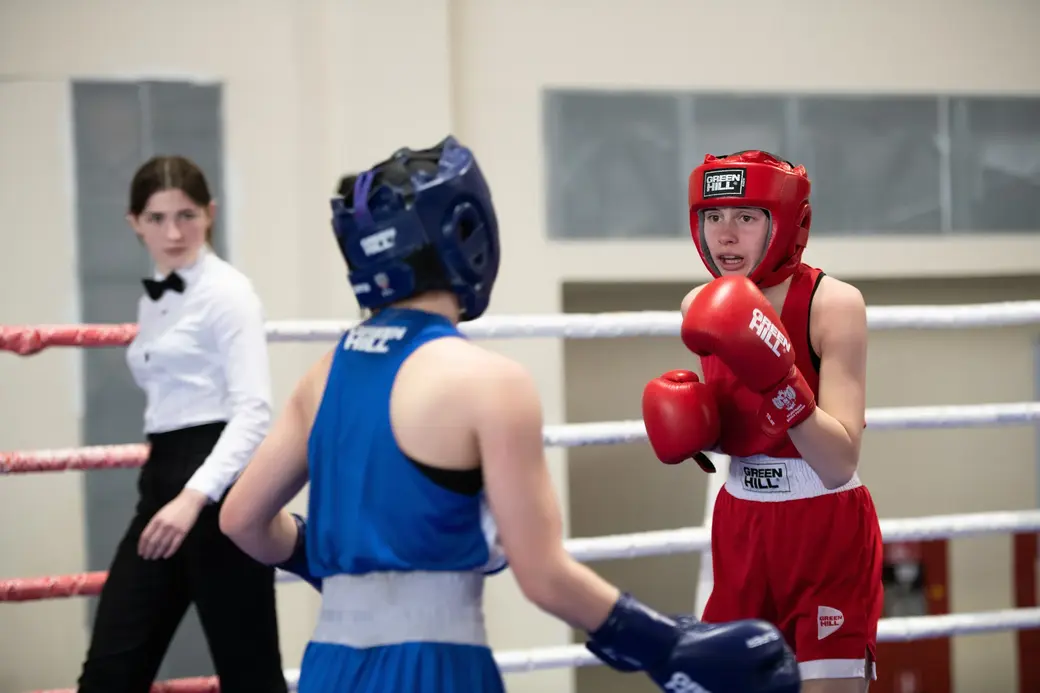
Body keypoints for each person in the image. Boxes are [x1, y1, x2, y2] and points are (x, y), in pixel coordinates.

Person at [219, 136, 802, 693]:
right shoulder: (489, 382)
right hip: (436, 667)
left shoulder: (324, 374)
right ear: (463, 234)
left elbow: (242, 520)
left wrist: (346, 570)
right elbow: (542, 575)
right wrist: (665, 647)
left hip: (328, 666)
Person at [640, 150, 885, 693]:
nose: (725, 235)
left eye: (746, 218)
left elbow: (840, 462)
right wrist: (697, 430)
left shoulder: (832, 304)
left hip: (824, 525)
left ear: (785, 224)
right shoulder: (696, 304)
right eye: (713, 217)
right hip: (740, 524)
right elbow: (738, 432)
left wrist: (780, 380)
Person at [76, 155, 288, 693]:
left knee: (250, 672)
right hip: (162, 482)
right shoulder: (159, 295)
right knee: (111, 668)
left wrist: (193, 498)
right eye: (157, 218)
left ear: (211, 213)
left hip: (220, 490)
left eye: (187, 215)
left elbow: (255, 410)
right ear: (134, 223)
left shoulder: (228, 292)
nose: (173, 232)